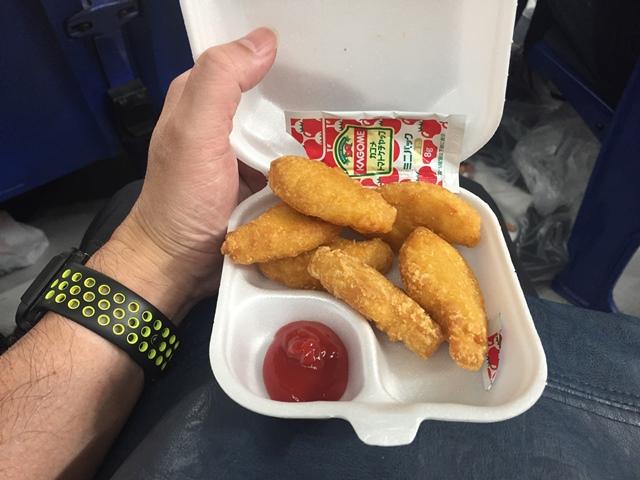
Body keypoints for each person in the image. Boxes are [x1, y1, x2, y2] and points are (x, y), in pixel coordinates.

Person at [0, 28, 638, 480]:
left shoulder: (397, 238)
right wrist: (158, 246)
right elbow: (344, 242)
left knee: (133, 200)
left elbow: (389, 242)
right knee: (436, 223)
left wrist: (150, 251)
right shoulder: (354, 233)